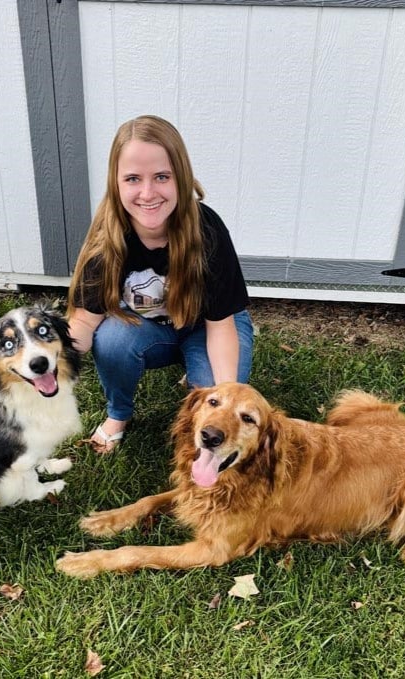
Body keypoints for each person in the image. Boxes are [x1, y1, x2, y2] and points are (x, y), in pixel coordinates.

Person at [67, 115, 253, 453]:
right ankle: (119, 414)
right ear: (116, 183)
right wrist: (47, 362)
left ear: (181, 178)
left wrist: (224, 403)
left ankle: (197, 373)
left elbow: (221, 325)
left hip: (207, 327)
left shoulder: (207, 230)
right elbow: (84, 321)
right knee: (111, 340)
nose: (148, 193)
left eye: (162, 177)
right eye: (133, 178)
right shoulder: (107, 236)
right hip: (148, 327)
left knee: (216, 392)